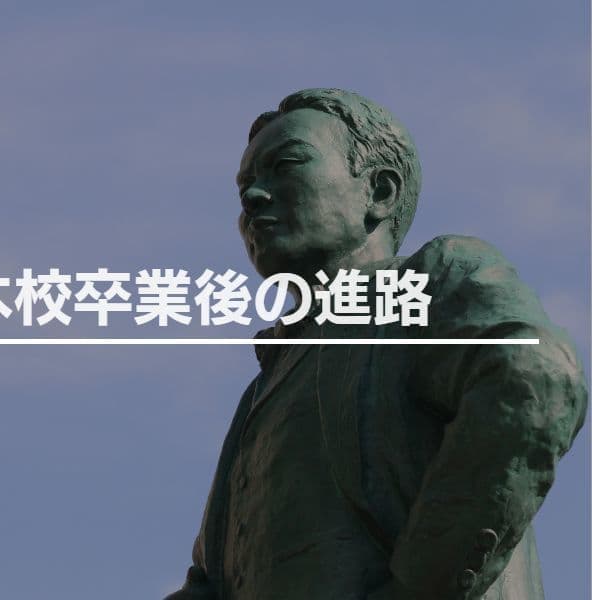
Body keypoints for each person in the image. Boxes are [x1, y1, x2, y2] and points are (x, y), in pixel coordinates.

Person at [164, 88, 587, 600]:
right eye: (245, 187)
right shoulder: (260, 393)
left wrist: (419, 584)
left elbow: (533, 377)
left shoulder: (430, 286)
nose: (253, 196)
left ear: (379, 192)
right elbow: (211, 583)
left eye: (286, 165)